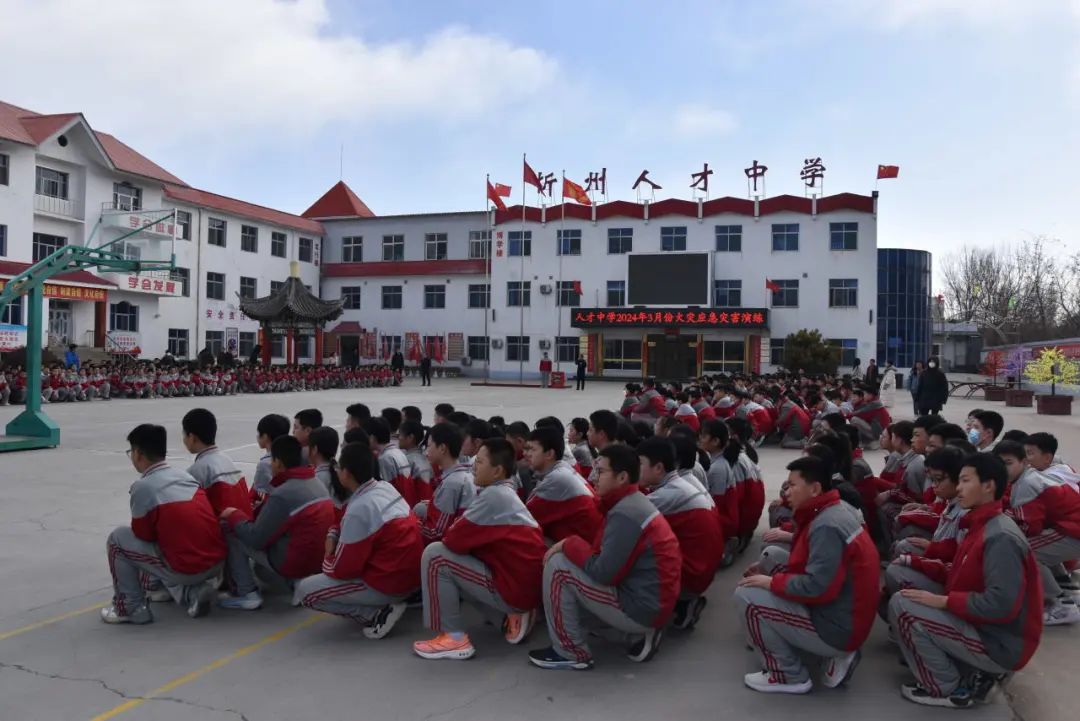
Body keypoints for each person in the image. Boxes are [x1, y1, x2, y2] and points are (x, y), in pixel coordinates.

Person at [888, 453, 1043, 708]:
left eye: (965, 480)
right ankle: (954, 659)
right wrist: (915, 562)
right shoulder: (980, 524)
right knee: (903, 576)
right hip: (981, 624)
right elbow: (958, 573)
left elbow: (1001, 604)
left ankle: (946, 687)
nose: (958, 488)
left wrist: (944, 602)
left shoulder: (1000, 537)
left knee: (902, 606)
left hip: (999, 642)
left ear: (988, 486)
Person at [528, 444, 681, 670]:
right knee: (570, 590)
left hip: (644, 608)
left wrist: (570, 543)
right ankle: (634, 636)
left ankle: (570, 652)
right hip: (652, 602)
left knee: (558, 565)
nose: (593, 477)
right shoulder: (630, 502)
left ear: (622, 477)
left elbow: (604, 573)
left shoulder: (626, 513)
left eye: (600, 472)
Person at [735, 456, 880, 694]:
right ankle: (812, 649)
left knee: (747, 595)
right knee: (772, 556)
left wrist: (771, 583)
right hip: (844, 612)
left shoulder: (826, 525)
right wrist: (768, 574)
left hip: (837, 627)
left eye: (792, 485)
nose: (786, 491)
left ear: (814, 489)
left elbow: (817, 587)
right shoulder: (829, 510)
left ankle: (788, 675)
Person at [413, 438, 547, 659]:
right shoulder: (505, 493)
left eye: (481, 462)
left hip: (515, 589)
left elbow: (452, 540)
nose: (474, 466)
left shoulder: (493, 496)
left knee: (435, 556)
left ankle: (454, 638)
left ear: (497, 471)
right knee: (459, 563)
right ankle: (509, 617)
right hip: (524, 585)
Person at [295, 442, 423, 639]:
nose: (337, 471)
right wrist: (333, 533)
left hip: (389, 583)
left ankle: (376, 615)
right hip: (410, 577)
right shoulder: (383, 488)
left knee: (306, 591)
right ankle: (387, 604)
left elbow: (343, 569)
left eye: (339, 467)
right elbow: (344, 519)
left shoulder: (360, 508)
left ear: (346, 473)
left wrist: (328, 555)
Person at [101, 424, 226, 624]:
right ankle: (188, 592)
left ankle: (131, 607)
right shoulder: (185, 476)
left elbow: (143, 535)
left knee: (118, 539)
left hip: (187, 568)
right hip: (215, 563)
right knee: (169, 538)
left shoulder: (143, 487)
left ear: (138, 454)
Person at [218, 436, 335, 610]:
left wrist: (234, 515)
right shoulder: (317, 483)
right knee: (262, 568)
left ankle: (247, 592)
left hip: (295, 561)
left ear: (279, 463)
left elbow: (256, 539)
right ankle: (297, 583)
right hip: (318, 562)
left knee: (232, 532)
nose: (270, 465)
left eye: (272, 460)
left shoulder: (283, 494)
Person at [637, 437, 722, 630]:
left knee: (630, 553)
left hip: (692, 575)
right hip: (702, 568)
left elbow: (627, 516)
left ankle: (647, 622)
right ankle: (683, 602)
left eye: (639, 464)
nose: (635, 469)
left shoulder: (668, 494)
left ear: (659, 467)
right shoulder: (683, 483)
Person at [996, 440, 1080, 626]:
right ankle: (1068, 590)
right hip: (1070, 526)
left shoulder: (1026, 484)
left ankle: (1062, 606)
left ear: (1024, 462)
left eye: (1008, 463)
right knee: (1042, 547)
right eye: (1000, 464)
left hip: (1073, 529)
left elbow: (1030, 526)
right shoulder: (1030, 477)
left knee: (1025, 552)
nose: (1004, 468)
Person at [524, 426, 602, 544]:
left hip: (588, 549)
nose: (526, 454)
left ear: (549, 454)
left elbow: (524, 517)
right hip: (588, 542)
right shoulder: (563, 469)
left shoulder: (557, 479)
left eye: (532, 449)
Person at [182, 408, 252, 517]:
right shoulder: (228, 461)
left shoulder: (196, 471)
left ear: (192, 437)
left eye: (184, 435)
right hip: (243, 522)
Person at [416, 423, 477, 543]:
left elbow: (437, 533)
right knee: (421, 508)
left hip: (452, 542)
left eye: (429, 446)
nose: (426, 452)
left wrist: (413, 523)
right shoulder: (466, 474)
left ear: (442, 448)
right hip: (463, 537)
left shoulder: (451, 483)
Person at [364, 417, 415, 506]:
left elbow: (386, 491)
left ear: (372, 438)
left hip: (397, 507)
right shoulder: (398, 452)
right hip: (407, 504)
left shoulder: (384, 459)